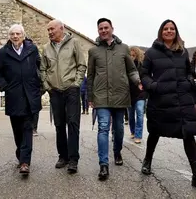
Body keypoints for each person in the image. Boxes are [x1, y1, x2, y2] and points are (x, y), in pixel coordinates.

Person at [140, 19, 196, 190]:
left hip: (182, 99)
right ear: (161, 32)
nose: (169, 31)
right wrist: (153, 86)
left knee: (188, 132)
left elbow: (188, 72)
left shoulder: (182, 52)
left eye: (172, 28)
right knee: (155, 131)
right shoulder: (151, 53)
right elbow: (144, 74)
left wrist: (189, 82)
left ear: (176, 31)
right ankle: (147, 160)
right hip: (161, 99)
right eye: (166, 29)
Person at [87, 18, 142, 181]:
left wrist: (138, 82)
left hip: (120, 94)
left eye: (106, 28)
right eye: (100, 28)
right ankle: (103, 164)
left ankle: (117, 152)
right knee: (103, 127)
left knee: (118, 129)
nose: (103, 30)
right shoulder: (93, 51)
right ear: (98, 31)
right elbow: (90, 76)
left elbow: (131, 70)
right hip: (101, 96)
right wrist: (90, 96)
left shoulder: (124, 48)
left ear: (112, 28)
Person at [0, 24, 42, 175]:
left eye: (18, 34)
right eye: (12, 34)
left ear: (23, 35)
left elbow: (40, 67)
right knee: (17, 129)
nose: (15, 36)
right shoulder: (3, 53)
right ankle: (21, 152)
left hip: (30, 95)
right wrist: (5, 87)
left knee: (27, 127)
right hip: (13, 96)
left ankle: (25, 162)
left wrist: (37, 84)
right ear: (9, 36)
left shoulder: (32, 50)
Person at [40, 20, 87, 174]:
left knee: (73, 124)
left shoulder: (74, 43)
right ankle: (63, 157)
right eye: (48, 30)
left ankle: (73, 159)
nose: (50, 32)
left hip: (71, 90)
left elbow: (81, 65)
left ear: (62, 28)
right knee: (59, 125)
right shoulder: (46, 48)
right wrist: (47, 87)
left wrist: (77, 83)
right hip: (55, 92)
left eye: (52, 29)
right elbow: (42, 69)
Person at [128, 46, 148, 144]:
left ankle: (138, 135)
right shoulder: (126, 65)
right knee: (131, 115)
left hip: (141, 92)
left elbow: (146, 76)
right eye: (130, 55)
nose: (132, 57)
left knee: (139, 112)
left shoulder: (142, 65)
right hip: (129, 93)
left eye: (134, 55)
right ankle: (133, 131)